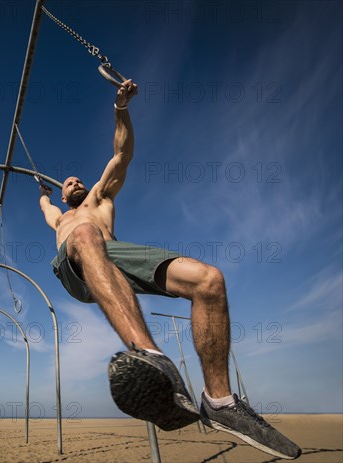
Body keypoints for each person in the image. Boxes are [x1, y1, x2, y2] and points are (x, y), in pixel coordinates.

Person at [38, 79, 301, 460]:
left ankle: (221, 402)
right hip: (74, 265)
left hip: (115, 256)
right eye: (69, 183)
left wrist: (121, 109)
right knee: (82, 235)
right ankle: (148, 353)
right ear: (63, 195)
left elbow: (121, 154)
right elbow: (46, 210)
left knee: (208, 280)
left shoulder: (100, 195)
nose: (76, 183)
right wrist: (44, 196)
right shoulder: (60, 216)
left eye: (78, 179)